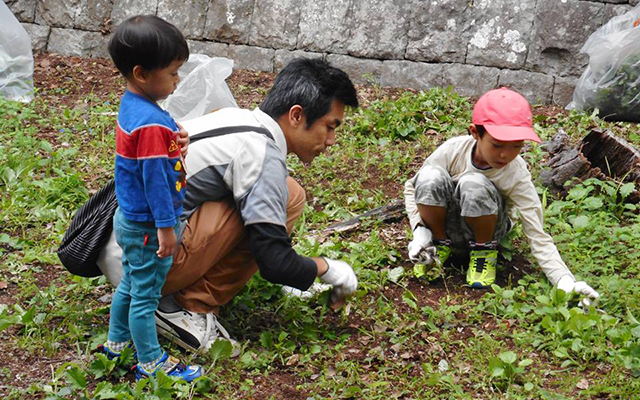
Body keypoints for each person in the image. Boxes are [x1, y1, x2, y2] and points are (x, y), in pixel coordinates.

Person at [97, 57, 360, 355]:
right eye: (329, 126)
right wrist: (327, 268)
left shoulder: (236, 117)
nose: (332, 140)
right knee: (269, 204)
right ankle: (185, 308)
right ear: (297, 115)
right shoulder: (262, 154)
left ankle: (170, 294)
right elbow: (274, 260)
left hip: (125, 239)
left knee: (288, 193)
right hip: (146, 257)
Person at [404, 88, 600, 305]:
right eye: (497, 145)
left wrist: (565, 282)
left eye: (516, 146)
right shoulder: (453, 151)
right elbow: (413, 187)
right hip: (446, 225)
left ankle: (483, 254)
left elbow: (537, 234)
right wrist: (420, 230)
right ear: (475, 133)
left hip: (486, 229)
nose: (506, 154)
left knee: (473, 183)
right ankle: (437, 246)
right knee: (430, 176)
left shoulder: (515, 173)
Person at [100, 15, 202, 382]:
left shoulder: (134, 106)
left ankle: (115, 343)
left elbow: (152, 150)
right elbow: (156, 180)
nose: (177, 81)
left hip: (130, 220)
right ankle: (151, 361)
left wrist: (177, 139)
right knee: (146, 295)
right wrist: (166, 229)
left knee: (131, 284)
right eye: (173, 73)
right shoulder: (151, 123)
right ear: (142, 73)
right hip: (149, 226)